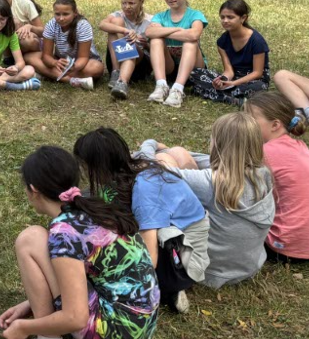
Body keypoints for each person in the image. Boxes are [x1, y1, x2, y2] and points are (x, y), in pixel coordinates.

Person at [0, 145, 158, 339]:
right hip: (142, 326)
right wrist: (29, 304)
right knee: (38, 240)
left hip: (114, 334)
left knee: (30, 239)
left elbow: (76, 317)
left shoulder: (65, 233)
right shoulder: (95, 207)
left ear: (33, 190)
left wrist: (24, 327)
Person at [76, 128, 209, 314]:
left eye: (85, 167)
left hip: (184, 259)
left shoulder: (145, 191)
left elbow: (149, 260)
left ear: (99, 167)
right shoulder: (131, 168)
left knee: (124, 252)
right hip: (172, 238)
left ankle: (171, 287)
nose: (84, 172)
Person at [145, 113, 275, 287]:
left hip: (210, 271)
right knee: (176, 153)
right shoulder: (263, 174)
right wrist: (171, 151)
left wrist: (150, 144)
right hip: (249, 266)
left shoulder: (211, 182)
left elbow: (152, 170)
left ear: (219, 144)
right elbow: (201, 158)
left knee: (161, 164)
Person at [244, 92, 309, 263]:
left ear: (275, 125)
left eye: (250, 119)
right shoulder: (299, 146)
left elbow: (241, 193)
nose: (243, 123)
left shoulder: (266, 152)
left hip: (286, 246)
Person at [187, 0, 270, 105]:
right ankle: (232, 98)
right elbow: (229, 71)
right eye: (222, 17)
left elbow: (257, 73)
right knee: (194, 73)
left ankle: (212, 93)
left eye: (230, 17)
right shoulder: (222, 41)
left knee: (258, 87)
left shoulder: (257, 41)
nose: (225, 20)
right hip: (234, 77)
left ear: (243, 18)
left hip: (253, 80)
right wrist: (222, 80)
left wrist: (233, 83)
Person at [147, 0, 208, 108]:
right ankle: (161, 85)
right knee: (156, 40)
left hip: (195, 71)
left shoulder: (195, 15)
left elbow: (194, 34)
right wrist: (178, 30)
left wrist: (164, 31)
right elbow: (150, 32)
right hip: (170, 69)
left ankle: (178, 90)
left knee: (190, 43)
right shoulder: (160, 16)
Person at [30, 0, 104, 90]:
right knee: (30, 57)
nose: (61, 18)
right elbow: (46, 56)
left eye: (65, 14)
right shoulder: (51, 25)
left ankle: (50, 75)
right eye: (57, 14)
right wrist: (54, 62)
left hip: (83, 64)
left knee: (96, 67)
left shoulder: (83, 25)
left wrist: (74, 67)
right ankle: (72, 80)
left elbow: (83, 57)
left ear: (75, 13)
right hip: (60, 62)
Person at [98, 0, 153, 101]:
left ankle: (122, 82)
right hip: (117, 61)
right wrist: (125, 31)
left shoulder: (150, 21)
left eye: (131, 3)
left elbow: (157, 49)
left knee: (130, 44)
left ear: (142, 2)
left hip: (139, 66)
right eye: (124, 3)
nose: (127, 7)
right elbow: (102, 24)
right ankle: (116, 72)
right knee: (115, 24)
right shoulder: (118, 15)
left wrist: (145, 44)